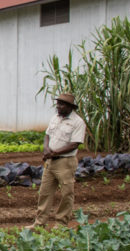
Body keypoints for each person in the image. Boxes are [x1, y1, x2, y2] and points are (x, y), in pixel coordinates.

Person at [26, 93, 85, 229]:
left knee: (66, 193)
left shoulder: (77, 122)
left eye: (61, 104)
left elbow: (74, 144)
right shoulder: (55, 118)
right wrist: (46, 148)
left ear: (70, 107)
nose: (58, 107)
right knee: (44, 192)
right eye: (58, 104)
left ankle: (61, 223)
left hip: (65, 162)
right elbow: (47, 135)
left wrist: (53, 153)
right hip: (50, 162)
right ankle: (39, 223)